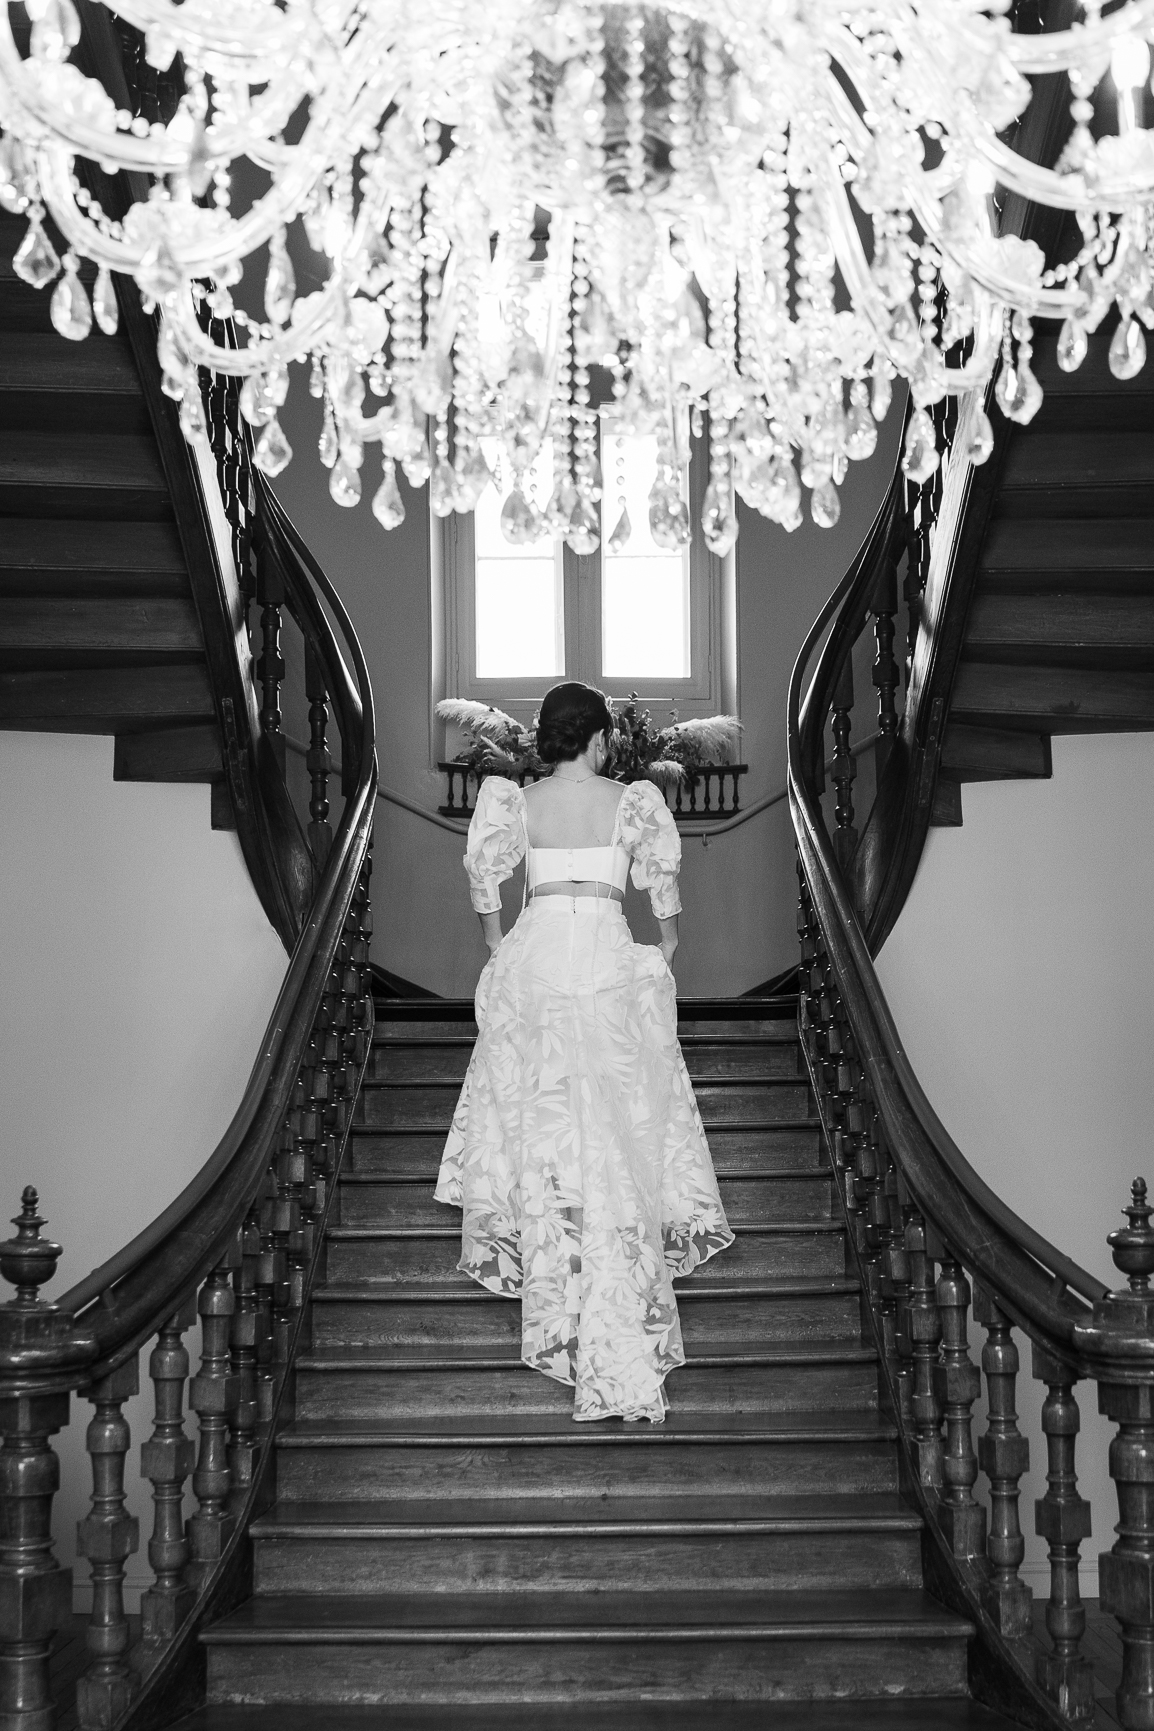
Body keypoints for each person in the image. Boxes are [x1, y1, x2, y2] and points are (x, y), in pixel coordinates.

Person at [435, 680, 733, 1423]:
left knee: (543, 1107)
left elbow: (485, 875)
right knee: (613, 1114)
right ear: (599, 738)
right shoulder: (631, 801)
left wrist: (497, 942)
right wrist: (666, 940)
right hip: (603, 952)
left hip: (537, 954)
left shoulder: (516, 800)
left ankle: (555, 1238)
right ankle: (614, 1260)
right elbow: (662, 881)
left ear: (549, 737)